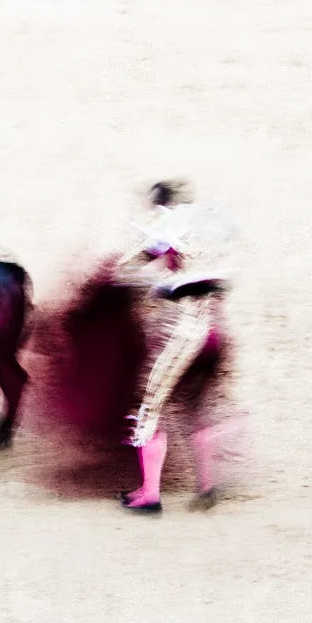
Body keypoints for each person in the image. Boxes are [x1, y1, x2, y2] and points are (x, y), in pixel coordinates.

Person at [113, 179, 242, 514]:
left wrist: (154, 282)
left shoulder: (164, 228)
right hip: (215, 335)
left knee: (148, 409)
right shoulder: (211, 230)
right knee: (196, 407)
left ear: (157, 204)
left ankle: (149, 494)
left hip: (182, 336)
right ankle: (207, 485)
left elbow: (125, 270)